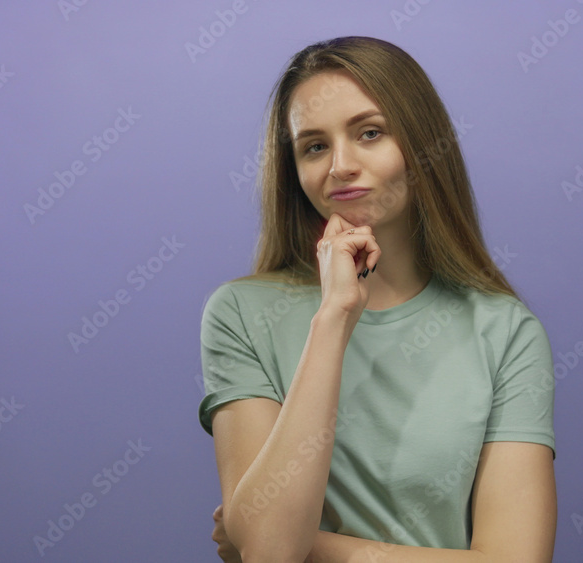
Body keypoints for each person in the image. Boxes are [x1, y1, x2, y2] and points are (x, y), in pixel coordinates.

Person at [199, 36, 557, 562]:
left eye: (370, 133)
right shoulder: (241, 314)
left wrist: (301, 544)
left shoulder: (505, 331)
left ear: (421, 145)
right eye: (314, 146)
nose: (340, 165)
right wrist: (334, 317)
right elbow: (271, 554)